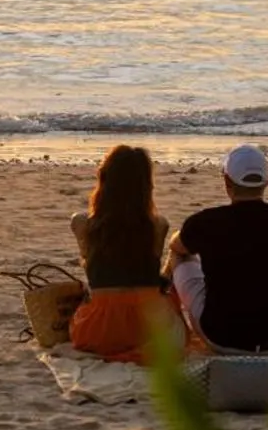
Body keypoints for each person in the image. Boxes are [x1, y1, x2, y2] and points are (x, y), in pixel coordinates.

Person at [168, 143, 268, 352]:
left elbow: (176, 245)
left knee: (180, 255)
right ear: (267, 181)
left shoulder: (206, 222)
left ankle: (168, 314)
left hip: (222, 338)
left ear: (226, 181)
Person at [67, 145, 183, 362]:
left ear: (104, 180)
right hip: (148, 328)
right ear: (146, 186)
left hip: (98, 331)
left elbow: (91, 268)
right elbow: (150, 273)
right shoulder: (158, 225)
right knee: (177, 257)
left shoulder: (81, 224)